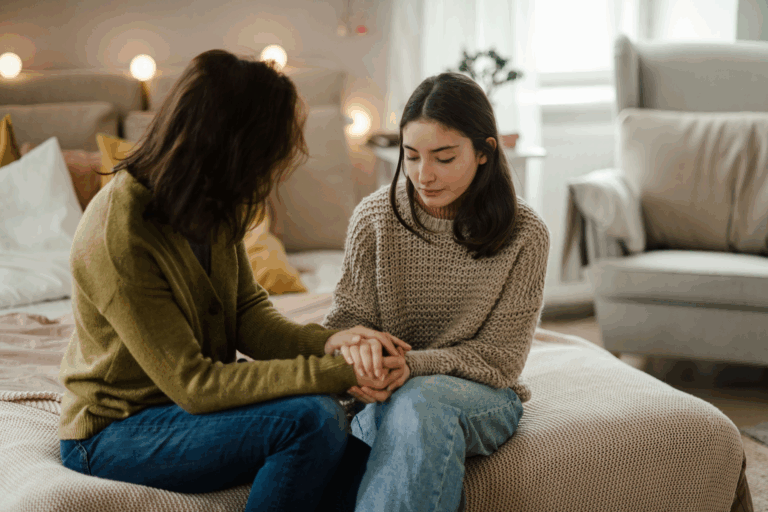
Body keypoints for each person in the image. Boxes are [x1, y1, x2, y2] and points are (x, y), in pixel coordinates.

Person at [57, 49, 410, 512]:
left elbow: (248, 316)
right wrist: (343, 373)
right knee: (311, 420)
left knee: (389, 465)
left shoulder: (214, 203)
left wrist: (333, 343)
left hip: (189, 410)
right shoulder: (119, 232)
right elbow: (196, 384)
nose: (270, 175)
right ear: (232, 147)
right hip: (117, 429)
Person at [323, 72, 550, 512]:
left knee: (419, 403)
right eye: (410, 157)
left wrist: (410, 364)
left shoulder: (525, 233)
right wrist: (362, 354)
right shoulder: (374, 218)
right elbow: (344, 325)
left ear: (484, 151)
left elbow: (500, 360)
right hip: (387, 388)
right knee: (390, 409)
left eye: (444, 158)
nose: (423, 176)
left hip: (482, 394)